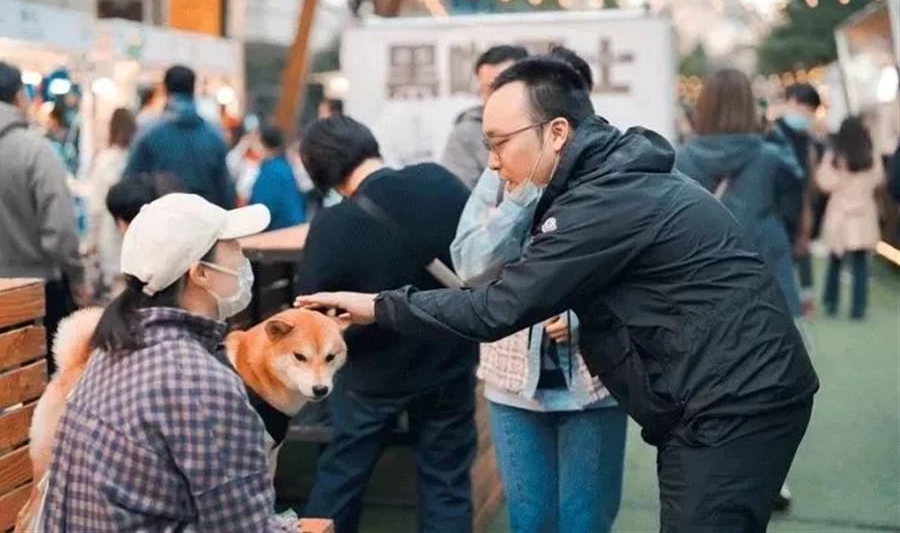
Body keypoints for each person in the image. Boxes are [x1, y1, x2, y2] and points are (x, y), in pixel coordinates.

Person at [298, 52, 819, 533]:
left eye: (500, 142)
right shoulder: (608, 177)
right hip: (719, 394)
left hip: (731, 400)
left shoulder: (603, 198)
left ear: (557, 132)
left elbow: (498, 306)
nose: (493, 163)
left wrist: (378, 306)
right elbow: (484, 271)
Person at [39, 193, 297, 532]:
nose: (242, 259)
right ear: (200, 273)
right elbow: (244, 526)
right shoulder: (200, 381)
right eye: (233, 247)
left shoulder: (111, 350)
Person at [451, 46, 625, 533]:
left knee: (587, 522)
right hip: (512, 377)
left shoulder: (610, 177)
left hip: (594, 378)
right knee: (530, 521)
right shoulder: (500, 176)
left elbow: (632, 273)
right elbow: (469, 264)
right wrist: (524, 194)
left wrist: (583, 314)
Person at [297, 115, 478, 533]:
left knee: (340, 479)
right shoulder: (439, 181)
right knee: (447, 486)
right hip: (448, 360)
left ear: (321, 171)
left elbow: (311, 305)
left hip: (370, 376)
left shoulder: (332, 224)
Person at [0, 62, 84, 373]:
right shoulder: (34, 151)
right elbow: (60, 231)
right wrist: (77, 277)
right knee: (38, 382)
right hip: (34, 291)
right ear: (19, 97)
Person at [676, 69, 804, 319]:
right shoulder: (771, 158)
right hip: (765, 281)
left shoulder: (680, 161)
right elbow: (794, 203)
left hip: (701, 285)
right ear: (749, 106)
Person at [124, 65, 236, 209]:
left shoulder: (148, 133)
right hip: (205, 217)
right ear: (193, 89)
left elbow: (129, 183)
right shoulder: (215, 135)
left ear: (165, 89)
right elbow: (226, 189)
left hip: (161, 216)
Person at [817, 116, 884, 320]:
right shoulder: (871, 156)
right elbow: (879, 179)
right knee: (861, 264)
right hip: (863, 214)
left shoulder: (834, 156)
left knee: (835, 261)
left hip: (839, 213)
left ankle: (831, 303)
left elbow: (824, 182)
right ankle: (858, 308)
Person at [441, 45, 529, 188]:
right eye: (488, 90)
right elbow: (457, 193)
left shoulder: (549, 125)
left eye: (503, 87)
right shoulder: (467, 134)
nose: (496, 96)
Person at [772, 83, 822, 313]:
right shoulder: (773, 134)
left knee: (801, 252)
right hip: (775, 209)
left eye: (811, 111)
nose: (807, 116)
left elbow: (806, 179)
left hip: (797, 207)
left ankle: (803, 299)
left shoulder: (805, 138)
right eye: (805, 109)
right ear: (790, 102)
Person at [86, 108, 137, 295]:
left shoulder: (104, 160)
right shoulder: (135, 160)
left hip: (109, 233)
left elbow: (95, 207)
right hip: (135, 236)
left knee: (116, 290)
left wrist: (91, 241)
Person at [249, 123, 306, 231]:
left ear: (263, 144)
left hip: (279, 231)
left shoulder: (271, 172)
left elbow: (263, 209)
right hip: (293, 228)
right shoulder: (283, 166)